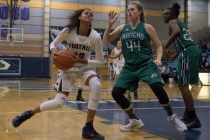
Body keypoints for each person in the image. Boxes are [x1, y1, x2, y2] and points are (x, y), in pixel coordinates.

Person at [12, 8, 105, 140]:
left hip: (85, 68)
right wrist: (54, 50)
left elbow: (100, 61)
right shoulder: (69, 30)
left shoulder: (95, 36)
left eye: (91, 14)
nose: (89, 14)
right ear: (79, 17)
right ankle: (28, 113)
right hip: (68, 70)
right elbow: (53, 43)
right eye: (86, 13)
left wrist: (82, 61)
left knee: (96, 85)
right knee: (58, 103)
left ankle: (88, 127)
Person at [103, 0, 187, 132]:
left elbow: (159, 45)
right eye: (128, 10)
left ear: (139, 12)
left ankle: (172, 117)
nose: (129, 12)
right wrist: (109, 25)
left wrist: (158, 58)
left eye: (132, 9)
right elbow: (106, 41)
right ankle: (134, 120)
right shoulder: (122, 28)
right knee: (116, 92)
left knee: (157, 87)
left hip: (146, 64)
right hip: (130, 66)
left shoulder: (147, 27)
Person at [163, 3, 201, 129]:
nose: (164, 15)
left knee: (183, 85)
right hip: (189, 51)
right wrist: (176, 54)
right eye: (163, 14)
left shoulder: (173, 21)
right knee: (184, 85)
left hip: (187, 53)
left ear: (173, 15)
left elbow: (176, 32)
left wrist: (165, 46)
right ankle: (188, 113)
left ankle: (193, 117)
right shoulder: (180, 22)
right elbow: (183, 39)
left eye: (166, 13)